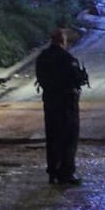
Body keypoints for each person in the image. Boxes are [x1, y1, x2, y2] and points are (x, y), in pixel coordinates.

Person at [35, 29, 88, 185]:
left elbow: (40, 77)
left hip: (50, 102)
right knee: (68, 138)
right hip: (66, 103)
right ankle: (66, 173)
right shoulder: (67, 58)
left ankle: (53, 172)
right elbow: (77, 79)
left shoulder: (43, 57)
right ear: (63, 41)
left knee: (52, 138)